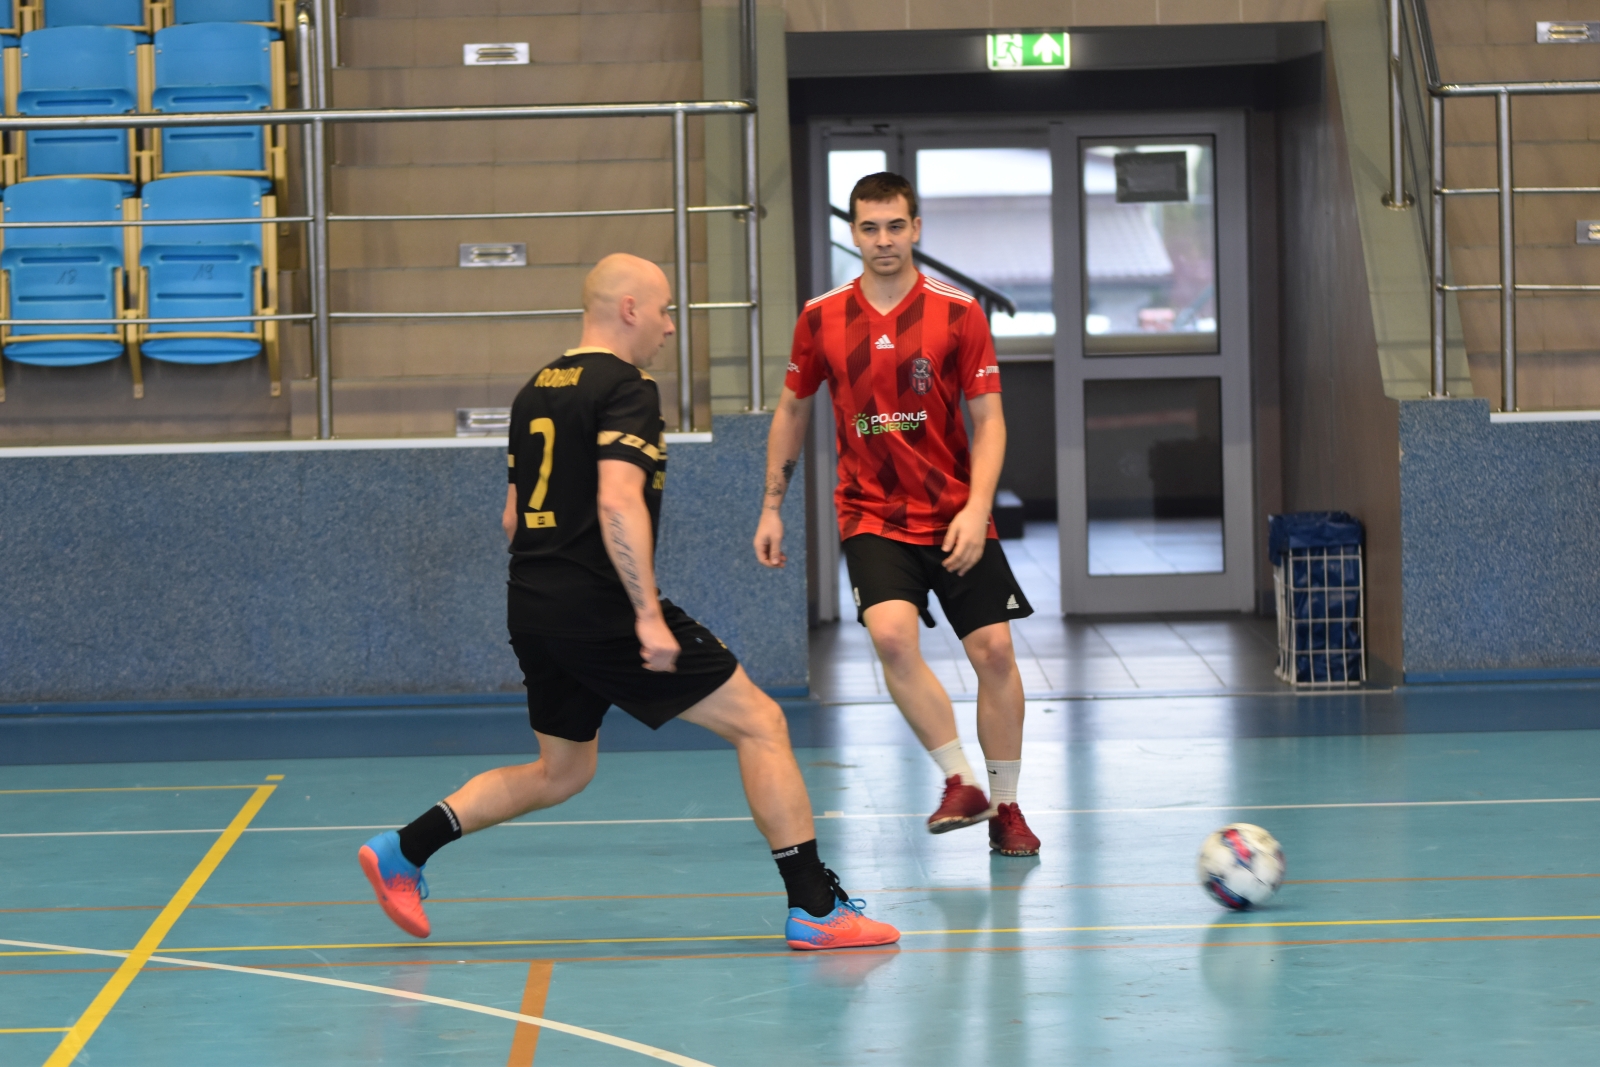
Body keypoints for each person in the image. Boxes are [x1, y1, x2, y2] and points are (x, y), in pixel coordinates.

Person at [358, 253, 898, 952]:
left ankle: (404, 849)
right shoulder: (627, 387)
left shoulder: (533, 390)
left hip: (533, 604)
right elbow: (617, 499)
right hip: (600, 606)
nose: (670, 327)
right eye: (665, 310)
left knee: (562, 771)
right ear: (630, 309)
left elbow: (512, 520)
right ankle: (816, 908)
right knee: (762, 723)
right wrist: (644, 613)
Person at [754, 173, 1041, 857]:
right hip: (871, 512)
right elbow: (792, 409)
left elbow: (990, 420)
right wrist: (771, 506)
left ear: (916, 228)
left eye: (894, 226)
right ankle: (959, 781)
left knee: (995, 652)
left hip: (955, 512)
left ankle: (1005, 806)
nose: (883, 240)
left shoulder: (958, 312)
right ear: (853, 233)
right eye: (869, 227)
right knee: (891, 638)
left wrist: (977, 507)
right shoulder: (821, 317)